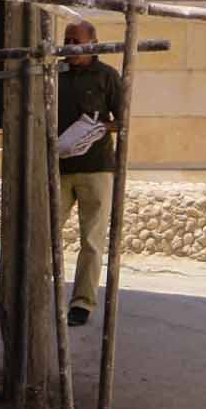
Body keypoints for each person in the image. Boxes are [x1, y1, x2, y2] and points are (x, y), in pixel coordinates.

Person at [57, 20, 123, 327]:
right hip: (57, 167)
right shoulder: (54, 72)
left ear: (93, 43)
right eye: (67, 40)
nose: (70, 46)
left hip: (96, 168)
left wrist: (98, 129)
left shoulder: (107, 76)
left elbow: (122, 120)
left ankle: (82, 302)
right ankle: (37, 294)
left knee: (92, 240)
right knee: (43, 235)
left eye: (77, 41)